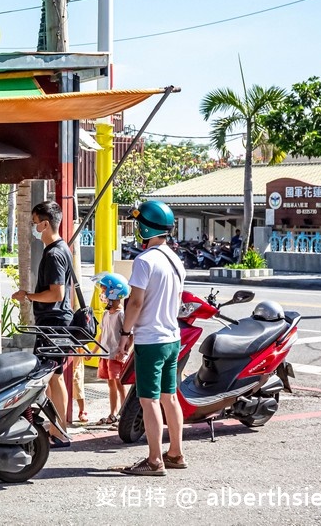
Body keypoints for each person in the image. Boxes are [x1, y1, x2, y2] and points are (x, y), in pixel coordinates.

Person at [117, 200, 186, 476]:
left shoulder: (144, 261)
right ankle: (176, 453)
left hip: (151, 340)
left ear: (145, 227)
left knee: (148, 401)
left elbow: (135, 303)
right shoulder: (175, 260)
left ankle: (155, 460)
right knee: (170, 397)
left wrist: (125, 333)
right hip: (172, 338)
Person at [10, 200, 86, 449]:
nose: (33, 227)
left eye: (34, 223)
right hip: (55, 322)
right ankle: (56, 428)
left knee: (55, 377)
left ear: (45, 224)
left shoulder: (54, 253)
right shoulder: (60, 249)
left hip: (54, 323)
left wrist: (28, 295)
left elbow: (56, 293)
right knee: (53, 376)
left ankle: (60, 430)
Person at [93, 272, 130, 426]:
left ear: (113, 292)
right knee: (110, 384)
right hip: (105, 355)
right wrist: (94, 351)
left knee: (120, 384)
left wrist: (125, 352)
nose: (102, 294)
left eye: (104, 291)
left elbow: (130, 335)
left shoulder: (122, 315)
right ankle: (113, 413)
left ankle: (123, 413)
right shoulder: (106, 314)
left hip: (116, 355)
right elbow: (102, 334)